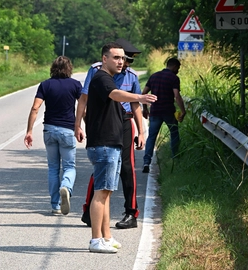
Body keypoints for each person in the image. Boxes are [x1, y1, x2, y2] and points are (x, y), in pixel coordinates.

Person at [78, 42, 156, 254]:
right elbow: (116, 95)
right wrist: (140, 97)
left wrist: (140, 130)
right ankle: (95, 240)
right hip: (103, 144)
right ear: (104, 59)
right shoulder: (102, 78)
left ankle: (106, 236)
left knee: (107, 193)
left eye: (123, 58)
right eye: (116, 58)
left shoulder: (108, 78)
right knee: (101, 193)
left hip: (111, 143)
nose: (121, 62)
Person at [24, 56, 82, 215]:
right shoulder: (75, 85)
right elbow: (83, 107)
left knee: (53, 168)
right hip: (67, 130)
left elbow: (35, 108)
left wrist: (29, 131)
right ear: (69, 68)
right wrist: (81, 127)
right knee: (69, 166)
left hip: (49, 130)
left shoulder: (45, 85)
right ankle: (66, 186)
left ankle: (55, 206)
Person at [142, 57, 186, 173]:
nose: (178, 70)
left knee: (151, 136)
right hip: (168, 111)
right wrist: (183, 110)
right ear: (175, 67)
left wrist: (145, 108)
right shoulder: (174, 78)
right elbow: (176, 96)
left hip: (155, 111)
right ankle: (175, 158)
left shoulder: (154, 76)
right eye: (178, 68)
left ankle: (146, 161)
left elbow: (144, 93)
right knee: (174, 133)